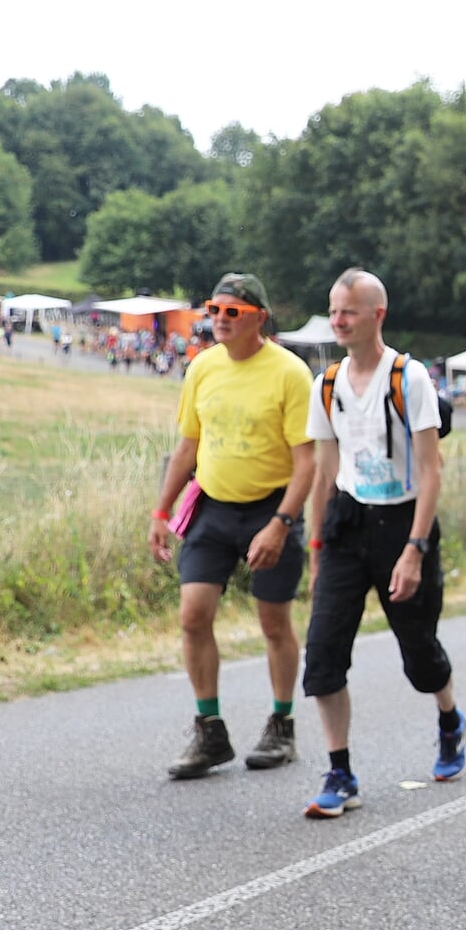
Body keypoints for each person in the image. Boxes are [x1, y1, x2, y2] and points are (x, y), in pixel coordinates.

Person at [299, 268, 466, 818]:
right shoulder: (325, 385)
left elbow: (430, 471)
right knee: (322, 655)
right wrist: (317, 551)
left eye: (349, 310)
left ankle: (449, 720)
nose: (339, 320)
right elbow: (323, 476)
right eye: (334, 309)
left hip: (402, 526)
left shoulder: (408, 378)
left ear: (378, 315)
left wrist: (415, 550)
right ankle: (340, 771)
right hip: (347, 527)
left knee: (420, 657)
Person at [148, 273, 315, 780]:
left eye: (233, 312)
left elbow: (307, 461)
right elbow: (188, 447)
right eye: (213, 309)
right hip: (213, 508)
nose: (219, 319)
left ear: (259, 318)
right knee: (193, 615)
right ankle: (209, 731)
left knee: (273, 623)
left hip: (272, 509)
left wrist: (282, 524)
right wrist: (160, 512)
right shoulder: (202, 368)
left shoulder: (290, 373)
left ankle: (281, 727)